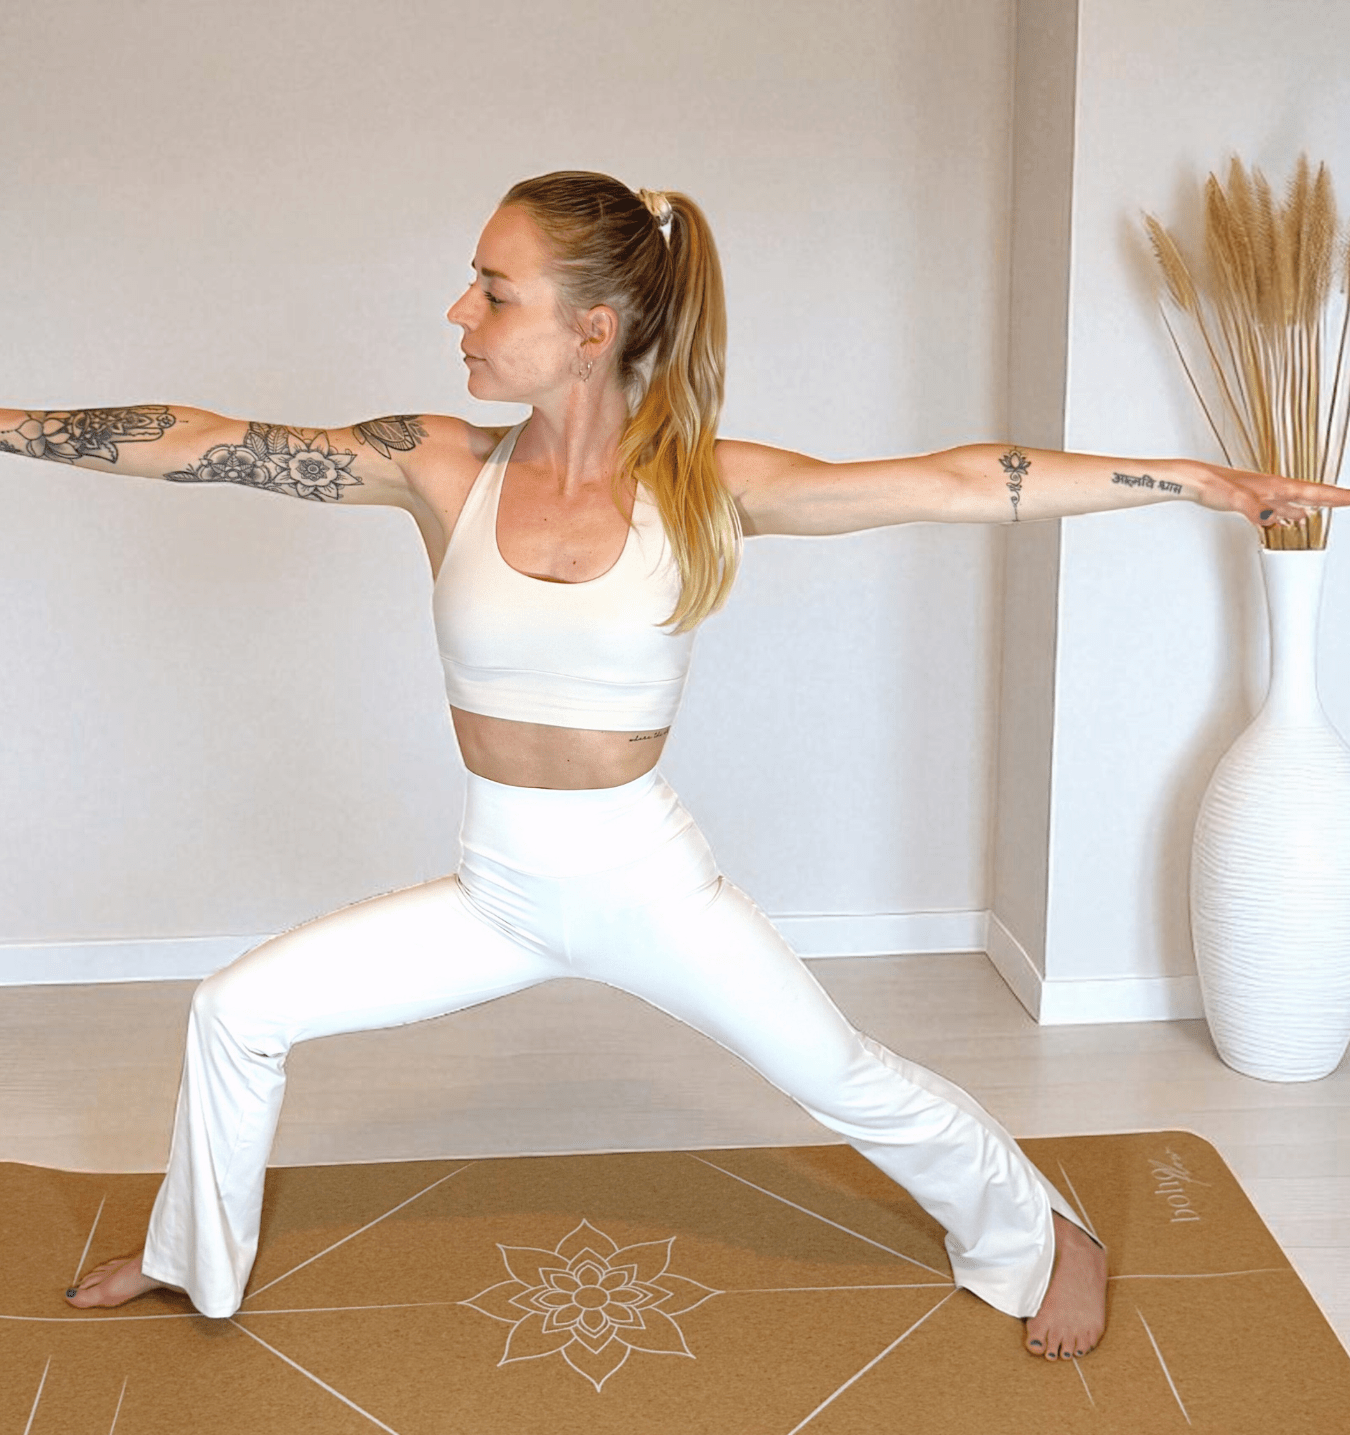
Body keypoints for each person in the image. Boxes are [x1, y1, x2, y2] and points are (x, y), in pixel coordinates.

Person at [12, 170, 1344, 1362]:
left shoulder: (704, 484)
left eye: (493, 289)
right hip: (498, 889)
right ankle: (192, 1258)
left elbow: (959, 482)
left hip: (646, 885)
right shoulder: (438, 466)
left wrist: (1197, 481)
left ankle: (1047, 1234)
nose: (459, 311)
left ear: (591, 329)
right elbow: (204, 443)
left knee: (844, 1078)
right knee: (235, 1010)